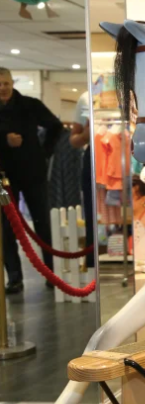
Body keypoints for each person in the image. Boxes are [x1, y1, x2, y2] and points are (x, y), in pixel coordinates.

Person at [0, 67, 60, 294]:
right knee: (6, 227)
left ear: (12, 83)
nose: (3, 88)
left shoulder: (30, 104)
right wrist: (4, 140)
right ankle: (14, 278)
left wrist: (44, 152)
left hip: (33, 173)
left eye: (6, 83)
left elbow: (55, 126)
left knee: (42, 223)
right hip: (3, 179)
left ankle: (51, 273)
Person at [70, 91, 95, 271]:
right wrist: (85, 136)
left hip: (126, 155)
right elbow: (74, 139)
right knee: (93, 213)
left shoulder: (133, 87)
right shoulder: (87, 96)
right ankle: (93, 263)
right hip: (93, 156)